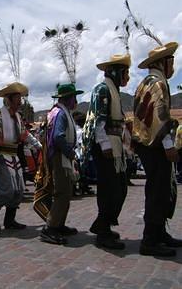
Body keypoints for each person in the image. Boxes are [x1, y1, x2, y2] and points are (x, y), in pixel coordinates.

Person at [133, 41, 182, 257]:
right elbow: (160, 117)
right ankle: (150, 240)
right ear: (163, 63)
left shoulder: (146, 82)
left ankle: (159, 233)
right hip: (155, 146)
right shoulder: (158, 84)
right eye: (171, 61)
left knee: (157, 189)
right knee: (157, 191)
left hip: (146, 145)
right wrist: (169, 145)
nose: (173, 66)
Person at [83, 54, 130, 250]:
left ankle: (103, 224)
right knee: (109, 189)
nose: (127, 77)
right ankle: (103, 232)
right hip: (106, 149)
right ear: (116, 72)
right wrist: (105, 145)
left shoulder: (114, 91)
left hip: (114, 147)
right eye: (125, 73)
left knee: (119, 188)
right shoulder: (102, 89)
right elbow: (98, 121)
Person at [0, 82, 41, 231]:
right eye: (17, 100)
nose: (19, 103)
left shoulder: (17, 117)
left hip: (14, 155)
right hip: (2, 155)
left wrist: (38, 145)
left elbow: (24, 134)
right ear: (8, 100)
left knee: (19, 189)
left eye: (20, 100)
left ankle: (9, 220)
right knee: (8, 189)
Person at [39, 83, 83, 245]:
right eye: (74, 97)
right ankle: (50, 227)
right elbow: (58, 137)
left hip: (60, 156)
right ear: (68, 99)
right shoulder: (61, 114)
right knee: (62, 192)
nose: (76, 101)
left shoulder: (60, 112)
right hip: (59, 157)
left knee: (66, 191)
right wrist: (70, 153)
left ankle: (58, 224)